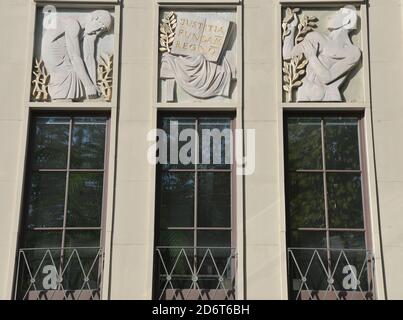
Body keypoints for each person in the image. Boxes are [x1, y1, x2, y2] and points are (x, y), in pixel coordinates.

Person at [283, 6, 361, 102]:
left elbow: (327, 78)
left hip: (329, 97)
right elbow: (287, 55)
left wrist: (312, 57)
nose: (330, 17)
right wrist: (291, 27)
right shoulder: (315, 37)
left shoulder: (352, 52)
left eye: (338, 14)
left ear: (347, 21)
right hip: (305, 94)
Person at [41, 10, 113, 101]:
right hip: (61, 65)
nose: (98, 33)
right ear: (95, 18)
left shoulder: (83, 30)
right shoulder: (72, 24)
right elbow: (75, 58)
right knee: (75, 76)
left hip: (61, 63)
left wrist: (93, 84)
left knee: (80, 74)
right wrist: (88, 85)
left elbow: (89, 58)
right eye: (101, 28)